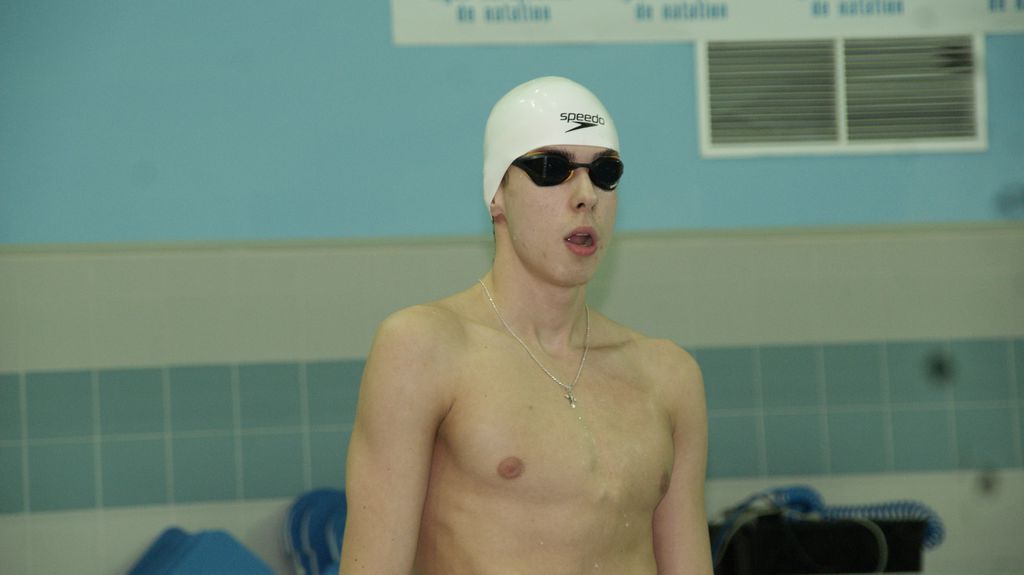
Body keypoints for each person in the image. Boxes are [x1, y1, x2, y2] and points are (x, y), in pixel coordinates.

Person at [340, 76, 712, 575]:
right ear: (497, 195)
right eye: (551, 169)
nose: (586, 196)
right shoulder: (425, 349)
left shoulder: (668, 376)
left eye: (605, 173)